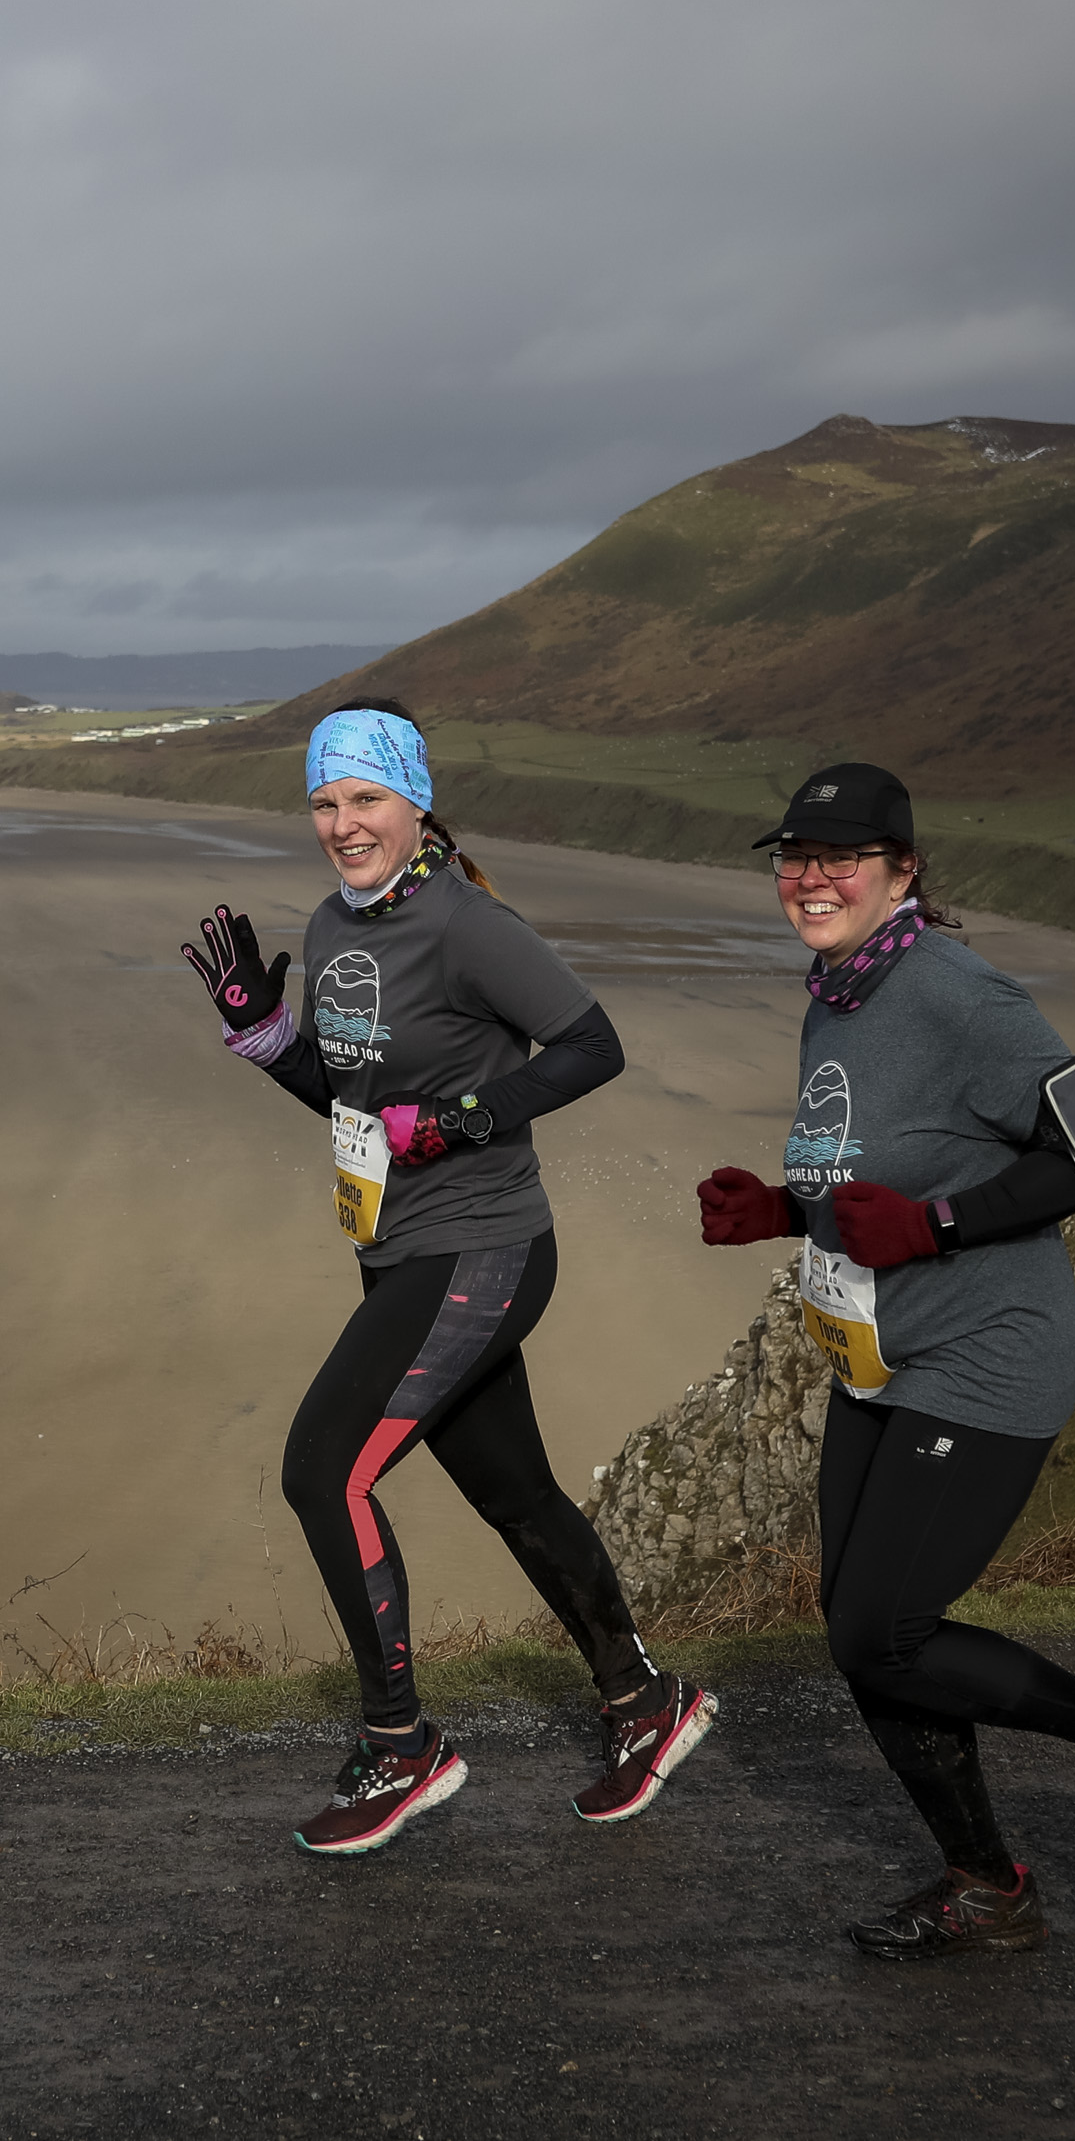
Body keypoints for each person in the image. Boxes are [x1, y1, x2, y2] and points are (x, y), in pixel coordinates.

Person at [698, 762, 1075, 1959]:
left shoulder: (955, 991)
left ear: (901, 869)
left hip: (986, 1353)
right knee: (859, 1627)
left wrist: (935, 1229)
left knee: (883, 1626)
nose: (810, 878)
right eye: (793, 858)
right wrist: (780, 1208)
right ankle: (985, 1885)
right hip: (876, 1352)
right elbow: (889, 1158)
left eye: (841, 859)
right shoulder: (837, 985)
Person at [187, 700, 714, 1854]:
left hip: (480, 1247)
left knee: (323, 1472)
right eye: (323, 803)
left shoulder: (467, 925)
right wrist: (266, 1037)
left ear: (414, 799)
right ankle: (644, 1703)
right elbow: (357, 1104)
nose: (340, 823)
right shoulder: (334, 926)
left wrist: (465, 1116)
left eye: (363, 798)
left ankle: (401, 1747)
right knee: (513, 1492)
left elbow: (591, 1043)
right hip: (400, 1249)